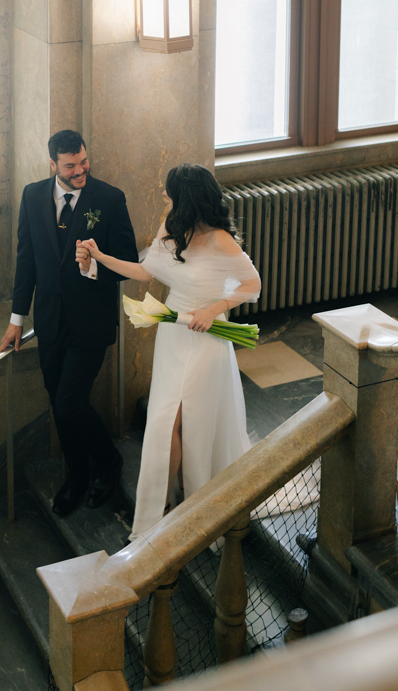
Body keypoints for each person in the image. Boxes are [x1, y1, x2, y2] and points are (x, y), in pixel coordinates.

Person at [77, 163, 260, 540]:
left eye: (169, 191)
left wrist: (214, 309)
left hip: (207, 341)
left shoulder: (221, 239)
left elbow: (252, 283)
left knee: (184, 420)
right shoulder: (171, 226)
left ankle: (189, 507)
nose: (163, 195)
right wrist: (99, 257)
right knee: (164, 422)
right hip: (174, 337)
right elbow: (145, 272)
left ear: (187, 197)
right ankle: (160, 509)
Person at [0, 130, 138, 517]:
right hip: (49, 323)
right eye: (71, 166)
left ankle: (108, 463)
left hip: (90, 324)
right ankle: (77, 474)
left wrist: (92, 264)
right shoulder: (32, 196)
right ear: (53, 165)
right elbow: (26, 261)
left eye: (83, 162)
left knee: (69, 401)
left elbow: (127, 261)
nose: (81, 170)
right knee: (60, 404)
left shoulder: (109, 199)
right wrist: (16, 319)